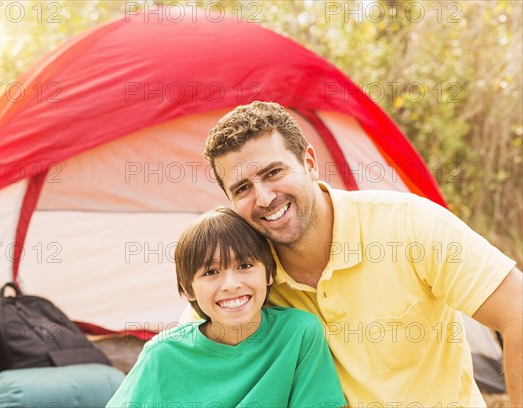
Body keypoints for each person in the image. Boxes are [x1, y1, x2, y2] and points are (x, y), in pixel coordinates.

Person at [200, 101, 522, 407]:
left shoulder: (409, 223)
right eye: (242, 188)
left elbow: (517, 310)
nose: (265, 197)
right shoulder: (242, 276)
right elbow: (191, 350)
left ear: (309, 164)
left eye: (273, 173)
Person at [107, 207, 347, 408]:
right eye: (211, 272)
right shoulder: (161, 356)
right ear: (189, 289)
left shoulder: (299, 334)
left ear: (268, 273)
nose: (231, 285)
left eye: (244, 265)